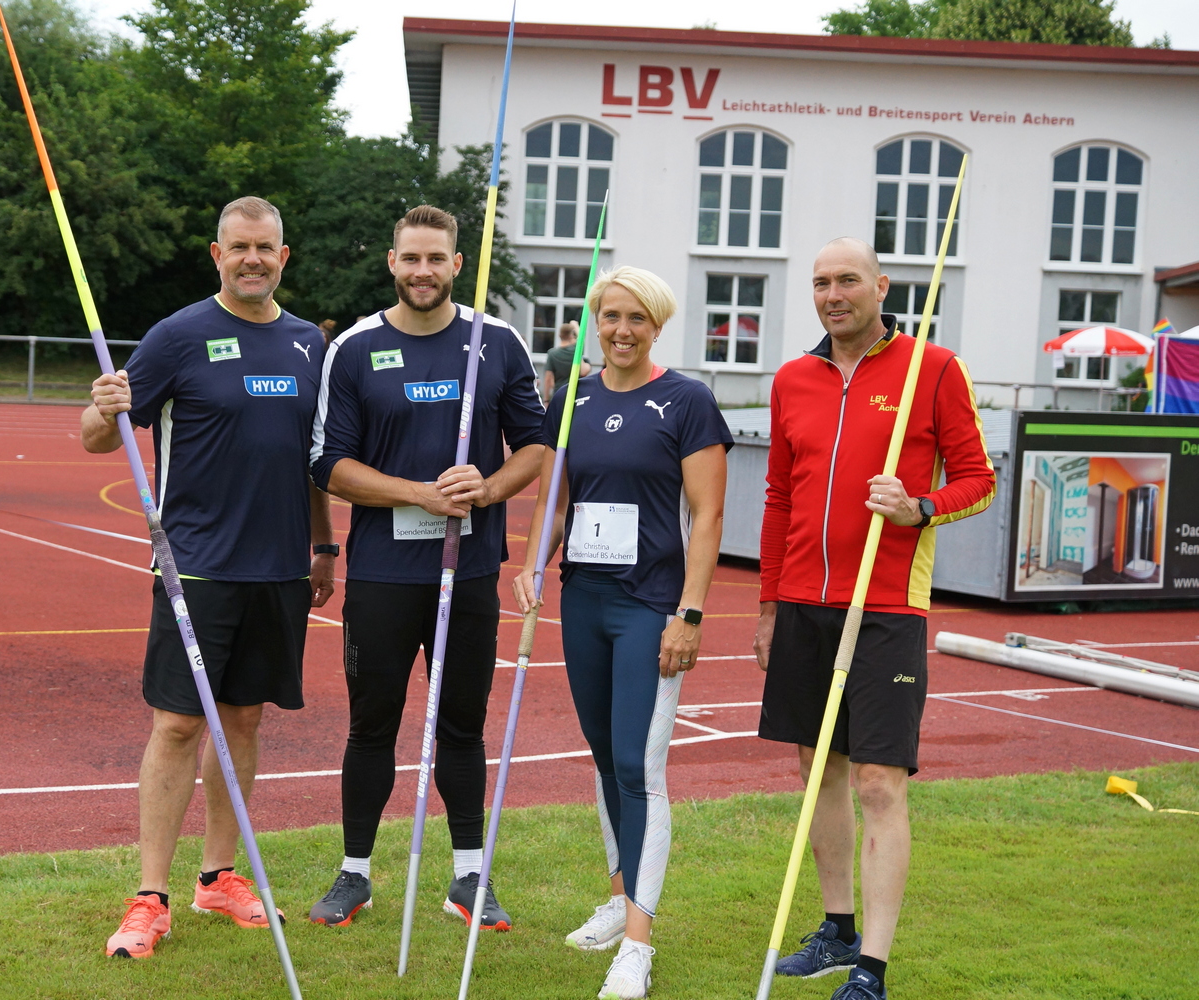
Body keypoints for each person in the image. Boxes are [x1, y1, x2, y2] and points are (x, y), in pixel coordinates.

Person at [85, 196, 339, 959]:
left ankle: (218, 878)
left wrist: (324, 548)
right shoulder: (179, 335)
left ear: (283, 257)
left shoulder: (308, 346)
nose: (253, 258)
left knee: (244, 722)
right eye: (239, 247)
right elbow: (100, 438)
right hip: (194, 566)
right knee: (176, 725)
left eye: (266, 247)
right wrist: (104, 409)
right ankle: (150, 897)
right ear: (216, 254)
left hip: (280, 568)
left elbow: (315, 463)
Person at [753, 238, 995, 1000]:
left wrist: (920, 506)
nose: (833, 294)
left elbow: (980, 479)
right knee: (816, 767)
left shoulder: (935, 368)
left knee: (882, 781)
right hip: (802, 603)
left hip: (887, 605)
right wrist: (767, 605)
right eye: (821, 282)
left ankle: (872, 969)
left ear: (880, 287)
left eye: (847, 280)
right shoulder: (793, 378)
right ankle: (837, 929)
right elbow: (780, 499)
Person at [307, 204, 545, 930]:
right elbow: (329, 463)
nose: (423, 272)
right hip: (383, 574)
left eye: (436, 259)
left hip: (468, 572)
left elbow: (535, 444)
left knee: (463, 727)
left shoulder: (496, 342)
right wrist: (420, 493)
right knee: (370, 726)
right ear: (391, 262)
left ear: (455, 265)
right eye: (411, 259)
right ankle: (354, 874)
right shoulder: (352, 349)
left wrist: (489, 486)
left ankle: (470, 876)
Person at [513, 266, 731, 1000]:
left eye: (636, 318)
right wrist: (533, 565)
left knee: (641, 767)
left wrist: (690, 613)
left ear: (657, 324)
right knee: (605, 757)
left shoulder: (687, 401)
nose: (621, 330)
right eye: (610, 317)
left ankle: (638, 943)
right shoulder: (573, 398)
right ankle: (617, 898)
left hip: (650, 606)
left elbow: (708, 517)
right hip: (585, 601)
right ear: (593, 323)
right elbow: (558, 500)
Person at [542, 320, 593, 402]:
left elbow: (548, 378)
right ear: (571, 336)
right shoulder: (576, 350)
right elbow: (581, 338)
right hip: (575, 394)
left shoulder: (552, 353)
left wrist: (546, 400)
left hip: (558, 394)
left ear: (559, 335)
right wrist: (575, 325)